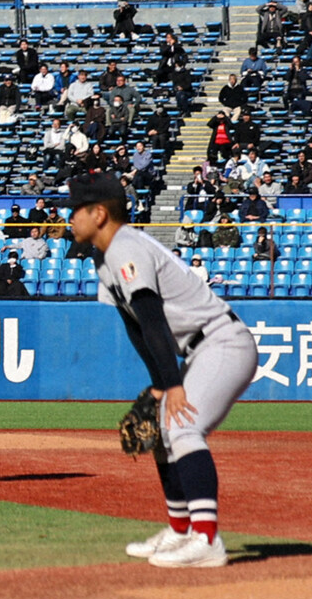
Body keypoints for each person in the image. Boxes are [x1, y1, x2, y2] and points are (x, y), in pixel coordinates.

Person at [67, 171, 257, 568]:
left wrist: (173, 384)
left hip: (222, 341)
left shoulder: (124, 246)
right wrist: (159, 386)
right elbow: (135, 325)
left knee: (182, 426)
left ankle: (206, 540)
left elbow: (152, 317)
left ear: (99, 213)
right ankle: (181, 529)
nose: (70, 220)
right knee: (159, 431)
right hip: (200, 348)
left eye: (76, 211)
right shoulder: (105, 258)